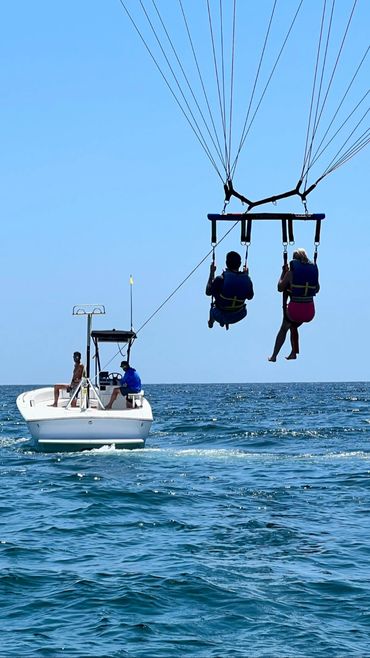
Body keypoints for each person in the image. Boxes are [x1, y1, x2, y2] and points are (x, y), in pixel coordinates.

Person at [269, 248, 320, 362]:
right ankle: (293, 353)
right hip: (309, 312)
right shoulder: (313, 271)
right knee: (293, 326)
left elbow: (280, 288)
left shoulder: (291, 273)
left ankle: (274, 356)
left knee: (284, 329)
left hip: (295, 311)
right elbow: (316, 289)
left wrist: (283, 273)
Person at [206, 250, 254, 329]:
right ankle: (223, 319)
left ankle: (211, 321)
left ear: (226, 263)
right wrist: (246, 276)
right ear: (239, 264)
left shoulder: (221, 279)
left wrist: (211, 273)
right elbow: (250, 297)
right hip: (239, 314)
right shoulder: (247, 280)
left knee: (213, 305)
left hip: (221, 315)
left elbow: (208, 292)